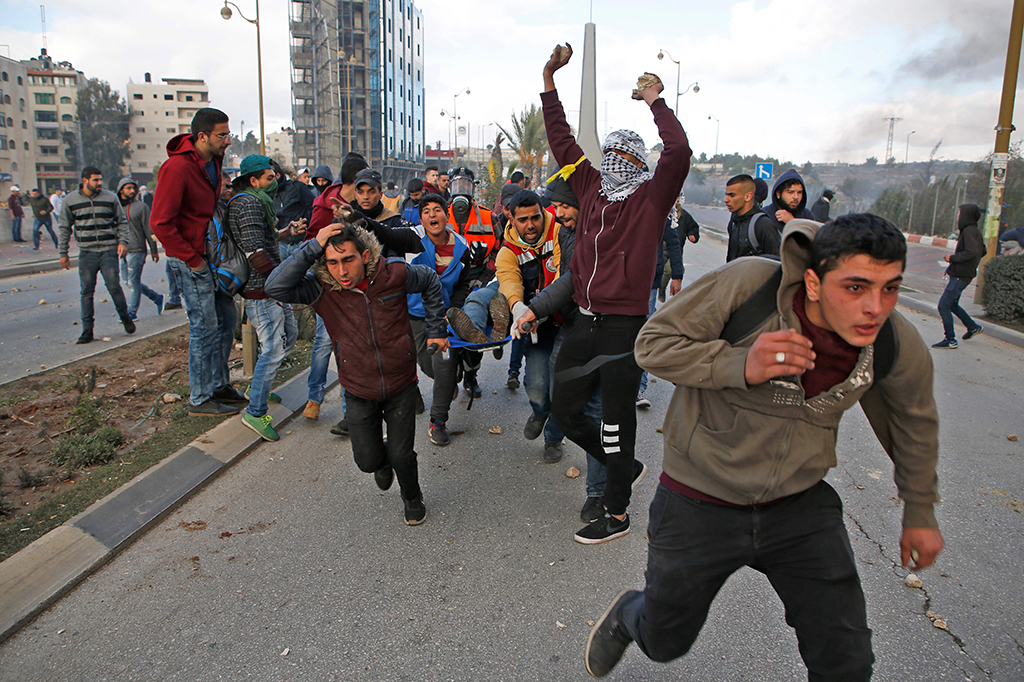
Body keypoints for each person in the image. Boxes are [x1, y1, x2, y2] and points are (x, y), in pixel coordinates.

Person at [584, 214, 944, 681]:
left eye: (890, 288)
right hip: (699, 496)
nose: (875, 307)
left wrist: (920, 512)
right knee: (665, 640)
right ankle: (632, 614)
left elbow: (914, 423)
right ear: (813, 283)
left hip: (798, 506)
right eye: (855, 288)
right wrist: (741, 364)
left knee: (846, 661)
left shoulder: (891, 341)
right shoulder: (751, 285)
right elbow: (652, 345)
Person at [518, 43, 689, 545]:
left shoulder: (652, 197)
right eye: (607, 152)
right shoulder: (590, 185)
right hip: (584, 322)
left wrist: (656, 101)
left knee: (615, 424)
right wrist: (548, 78)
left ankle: (617, 513)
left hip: (623, 327)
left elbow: (678, 153)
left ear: (637, 162)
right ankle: (625, 467)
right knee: (565, 411)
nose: (613, 161)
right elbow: (560, 139)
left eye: (624, 155)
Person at [265, 221, 448, 525]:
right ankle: (381, 461)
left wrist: (436, 329)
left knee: (403, 455)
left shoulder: (393, 273)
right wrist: (313, 245)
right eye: (333, 262)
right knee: (367, 461)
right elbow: (274, 287)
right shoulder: (321, 288)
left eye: (348, 259)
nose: (342, 271)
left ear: (364, 256)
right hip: (358, 387)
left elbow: (429, 280)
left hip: (401, 382)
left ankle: (412, 497)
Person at [150, 108, 244, 417]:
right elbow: (160, 223)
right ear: (201, 136)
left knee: (227, 320)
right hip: (191, 261)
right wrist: (192, 259)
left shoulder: (213, 163)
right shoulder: (176, 168)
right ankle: (200, 398)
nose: (228, 141)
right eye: (222, 135)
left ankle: (218, 385)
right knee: (204, 327)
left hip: (211, 257)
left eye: (228, 134)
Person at [229, 155, 298, 440]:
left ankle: (258, 387)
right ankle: (255, 412)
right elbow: (253, 250)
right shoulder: (248, 204)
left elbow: (265, 240)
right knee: (272, 349)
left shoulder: (258, 202)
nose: (276, 181)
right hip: (263, 290)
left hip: (271, 288)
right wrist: (278, 279)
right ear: (253, 180)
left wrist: (286, 233)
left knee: (289, 335)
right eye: (270, 178)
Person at [495, 190, 566, 462]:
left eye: (535, 217)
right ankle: (539, 411)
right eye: (523, 220)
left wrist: (541, 309)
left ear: (543, 213)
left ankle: (554, 440)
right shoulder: (507, 249)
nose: (531, 225)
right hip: (535, 325)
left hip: (566, 319)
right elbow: (509, 280)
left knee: (560, 384)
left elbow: (563, 275)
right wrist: (518, 307)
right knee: (536, 384)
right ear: (511, 218)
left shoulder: (560, 232)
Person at [301, 152, 369, 428]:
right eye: (362, 184)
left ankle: (348, 412)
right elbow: (310, 243)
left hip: (354, 284)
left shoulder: (357, 204)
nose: (366, 192)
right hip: (328, 283)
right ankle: (314, 399)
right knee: (326, 341)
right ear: (353, 180)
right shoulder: (326, 205)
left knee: (350, 344)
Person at [403, 193, 474, 446]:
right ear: (421, 218)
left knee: (443, 365)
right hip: (413, 315)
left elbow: (464, 285)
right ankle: (450, 377)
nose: (432, 215)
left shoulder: (463, 247)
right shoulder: (411, 240)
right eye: (426, 211)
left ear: (447, 214)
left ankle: (438, 420)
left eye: (437, 210)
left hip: (444, 317)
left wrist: (453, 308)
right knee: (427, 366)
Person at [58, 167, 135, 344]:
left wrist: (123, 242)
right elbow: (64, 228)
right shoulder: (70, 200)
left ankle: (126, 318)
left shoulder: (110, 197)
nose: (99, 183)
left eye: (100, 180)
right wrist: (63, 253)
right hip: (87, 252)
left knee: (114, 286)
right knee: (86, 292)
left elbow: (122, 222)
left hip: (108, 250)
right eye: (95, 180)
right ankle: (87, 331)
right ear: (85, 181)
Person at [447, 166, 500, 398]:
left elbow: (501, 250)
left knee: (474, 328)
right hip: (447, 282)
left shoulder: (489, 217)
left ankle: (471, 374)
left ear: (473, 188)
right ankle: (454, 369)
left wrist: (483, 279)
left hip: (479, 280)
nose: (461, 189)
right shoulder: (439, 215)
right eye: (456, 184)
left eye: (466, 185)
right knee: (449, 329)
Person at [636, 216, 683, 408]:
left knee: (643, 334)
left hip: (650, 281)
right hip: (623, 278)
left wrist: (677, 275)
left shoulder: (658, 210)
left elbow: (673, 242)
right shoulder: (622, 201)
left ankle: (639, 388)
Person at [933, 203, 985, 349]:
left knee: (943, 306)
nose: (957, 216)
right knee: (953, 304)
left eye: (959, 213)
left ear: (966, 215)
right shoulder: (973, 231)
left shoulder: (969, 231)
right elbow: (982, 251)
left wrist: (952, 258)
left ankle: (950, 339)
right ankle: (972, 327)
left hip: (960, 276)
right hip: (963, 274)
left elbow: (972, 252)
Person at [116, 178, 164, 319]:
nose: (131, 191)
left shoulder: (141, 207)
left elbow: (148, 229)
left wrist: (153, 249)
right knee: (127, 281)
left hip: (137, 249)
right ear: (121, 190)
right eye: (128, 188)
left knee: (134, 281)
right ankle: (156, 297)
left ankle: (132, 312)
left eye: (133, 188)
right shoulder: (116, 206)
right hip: (122, 250)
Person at [724, 174, 781, 261]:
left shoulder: (763, 225)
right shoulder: (734, 223)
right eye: (726, 195)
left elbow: (776, 263)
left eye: (732, 195)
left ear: (748, 196)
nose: (726, 200)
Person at [273, 160, 314, 260]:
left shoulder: (297, 187)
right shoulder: (270, 194)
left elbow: (314, 207)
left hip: (300, 243)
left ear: (277, 175)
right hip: (282, 244)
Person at [761, 168, 815, 233]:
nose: (796, 197)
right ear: (778, 194)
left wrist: (792, 222)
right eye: (790, 192)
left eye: (799, 192)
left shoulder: (807, 216)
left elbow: (812, 239)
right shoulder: (764, 215)